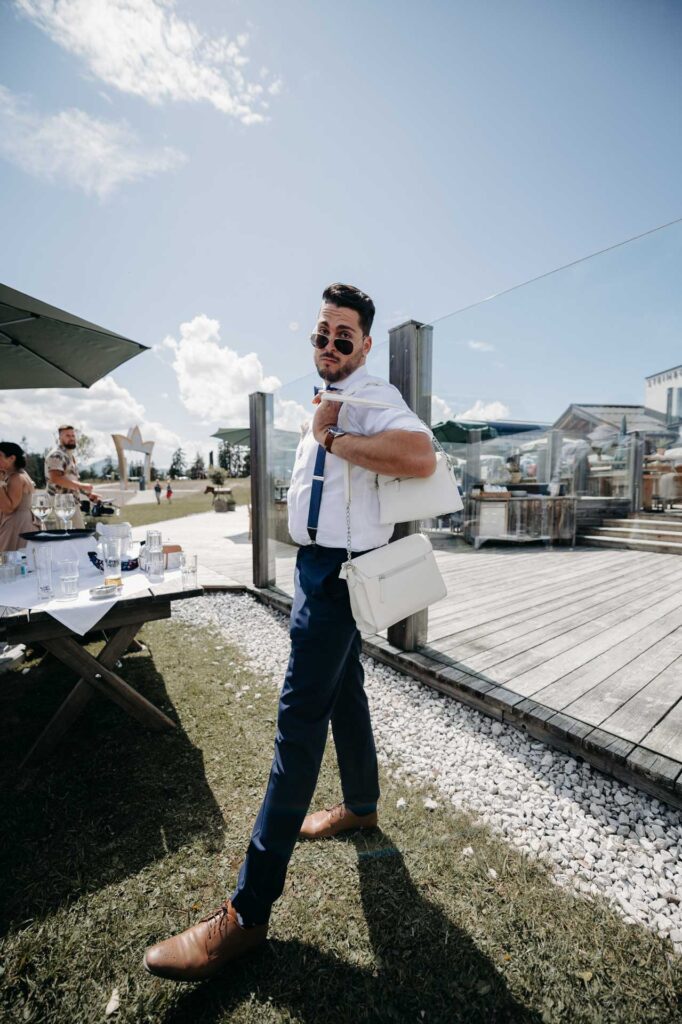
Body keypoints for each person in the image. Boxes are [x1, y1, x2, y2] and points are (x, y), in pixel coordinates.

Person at [144, 282, 436, 982]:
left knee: (296, 723)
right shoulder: (328, 398)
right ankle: (361, 806)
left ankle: (247, 913)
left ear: (364, 345)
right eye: (322, 334)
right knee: (346, 693)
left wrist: (334, 436)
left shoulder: (367, 397)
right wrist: (326, 431)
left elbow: (421, 456)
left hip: (336, 578)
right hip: (320, 568)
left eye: (345, 336)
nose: (331, 345)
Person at [44, 425, 100, 530]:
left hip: (69, 504)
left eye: (73, 435)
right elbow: (56, 478)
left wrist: (88, 494)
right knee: (70, 540)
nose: (72, 438)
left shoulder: (69, 456)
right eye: (67, 435)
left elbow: (70, 481)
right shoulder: (57, 455)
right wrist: (82, 485)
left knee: (77, 539)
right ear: (60, 438)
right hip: (60, 505)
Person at [0, 442, 37, 552]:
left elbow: (8, 508)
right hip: (19, 523)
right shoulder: (17, 475)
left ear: (11, 458)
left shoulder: (16, 478)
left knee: (11, 561)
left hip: (16, 525)